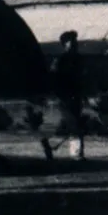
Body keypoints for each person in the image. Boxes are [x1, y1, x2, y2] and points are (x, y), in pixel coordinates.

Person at [41, 30, 86, 161]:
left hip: (76, 95)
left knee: (73, 123)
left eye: (75, 41)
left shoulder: (79, 59)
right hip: (65, 96)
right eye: (71, 42)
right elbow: (54, 78)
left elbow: (82, 78)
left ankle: (51, 143)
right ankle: (76, 153)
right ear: (64, 44)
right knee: (72, 123)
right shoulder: (60, 61)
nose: (74, 44)